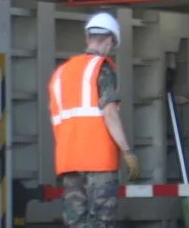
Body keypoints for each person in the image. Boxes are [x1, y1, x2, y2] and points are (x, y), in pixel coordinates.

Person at [48, 12, 140, 227]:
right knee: (101, 222)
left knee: (76, 223)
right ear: (109, 40)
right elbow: (109, 112)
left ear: (88, 37)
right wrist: (127, 151)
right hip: (99, 160)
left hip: (69, 162)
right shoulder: (101, 68)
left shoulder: (60, 73)